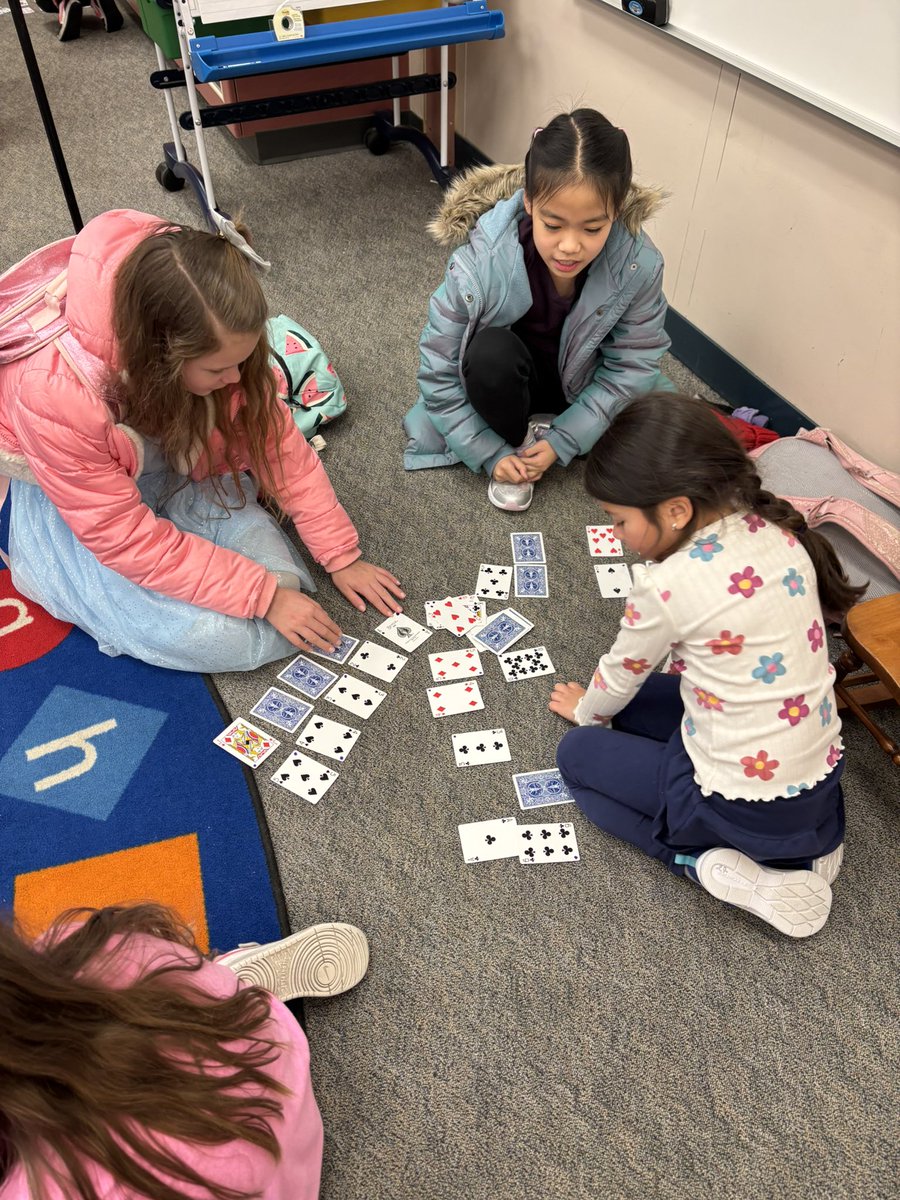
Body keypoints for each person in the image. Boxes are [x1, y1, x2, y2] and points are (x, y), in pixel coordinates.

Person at [0, 210, 404, 672]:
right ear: (159, 359)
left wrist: (340, 556)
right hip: (76, 489)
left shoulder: (210, 335)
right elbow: (123, 538)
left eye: (243, 360)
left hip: (159, 448)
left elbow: (280, 446)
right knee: (222, 635)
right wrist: (262, 595)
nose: (235, 377)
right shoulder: (54, 394)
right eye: (217, 370)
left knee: (278, 575)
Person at [549, 394, 864, 938]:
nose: (618, 536)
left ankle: (707, 864)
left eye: (618, 521)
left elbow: (619, 672)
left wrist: (587, 711)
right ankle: (807, 848)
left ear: (676, 510)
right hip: (815, 780)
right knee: (644, 704)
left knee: (577, 755)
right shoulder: (778, 532)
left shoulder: (665, 585)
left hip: (743, 802)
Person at [0, 902, 370, 1199]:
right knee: (155, 983)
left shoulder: (40, 1188)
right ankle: (213, 995)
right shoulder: (87, 944)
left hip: (286, 1188)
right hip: (274, 1066)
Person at [404, 108, 673, 512]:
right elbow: (438, 368)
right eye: (553, 225)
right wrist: (491, 451)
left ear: (616, 211)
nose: (569, 246)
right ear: (528, 202)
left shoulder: (638, 265)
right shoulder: (482, 261)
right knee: (490, 353)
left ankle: (554, 425)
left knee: (665, 437)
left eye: (592, 228)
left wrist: (565, 439)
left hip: (581, 387)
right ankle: (520, 433)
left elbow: (632, 367)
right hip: (509, 383)